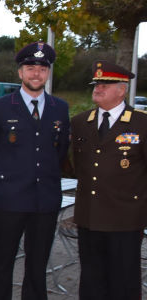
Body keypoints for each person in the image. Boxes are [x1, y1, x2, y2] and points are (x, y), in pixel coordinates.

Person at [0, 42, 70, 300]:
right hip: (9, 199)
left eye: (42, 69)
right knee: (3, 263)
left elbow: (60, 151)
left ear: (48, 73)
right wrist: (6, 178)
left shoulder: (59, 108)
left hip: (45, 200)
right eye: (30, 68)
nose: (36, 74)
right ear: (20, 72)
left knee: (37, 265)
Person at [70, 60, 146, 300]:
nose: (98, 88)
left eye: (105, 84)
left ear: (122, 89)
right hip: (89, 217)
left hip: (125, 219)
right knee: (91, 281)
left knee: (124, 282)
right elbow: (74, 166)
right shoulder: (82, 122)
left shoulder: (141, 123)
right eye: (96, 84)